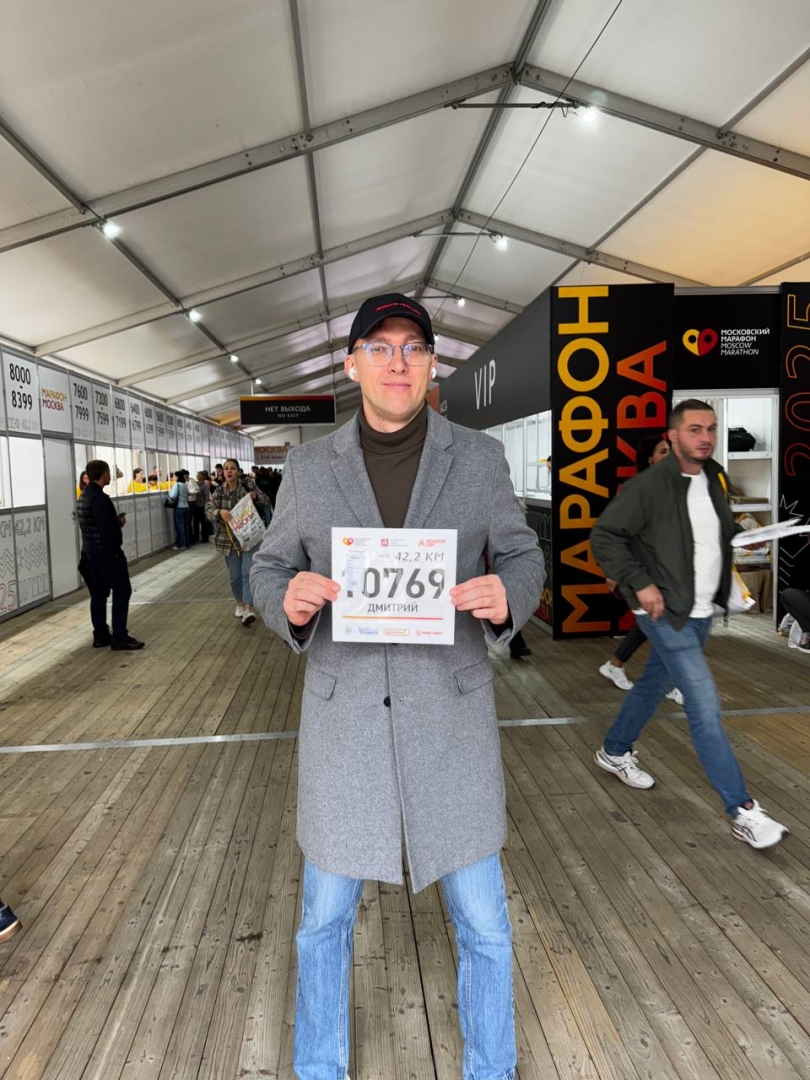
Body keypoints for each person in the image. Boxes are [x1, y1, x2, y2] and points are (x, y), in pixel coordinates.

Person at [250, 292, 544, 1080]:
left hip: (450, 719)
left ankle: (491, 1068)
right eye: (378, 348)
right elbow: (268, 566)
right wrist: (286, 601)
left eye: (412, 348)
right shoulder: (310, 467)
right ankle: (320, 1069)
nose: (397, 362)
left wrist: (509, 594)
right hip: (344, 723)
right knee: (322, 923)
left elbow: (523, 554)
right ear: (352, 365)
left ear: (432, 365)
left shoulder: (478, 459)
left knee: (485, 924)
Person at [591, 399, 786, 849]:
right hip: (665, 613)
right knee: (704, 706)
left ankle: (614, 750)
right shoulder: (648, 486)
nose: (706, 437)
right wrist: (640, 583)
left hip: (700, 610)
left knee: (653, 684)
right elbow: (605, 536)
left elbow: (709, 534)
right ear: (672, 435)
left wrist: (747, 537)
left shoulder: (714, 476)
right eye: (695, 429)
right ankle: (743, 811)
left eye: (711, 428)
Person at [598, 433, 684, 705]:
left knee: (655, 625)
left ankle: (617, 665)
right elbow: (615, 533)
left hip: (667, 572)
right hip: (644, 572)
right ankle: (667, 682)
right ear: (650, 459)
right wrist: (615, 571)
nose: (669, 456)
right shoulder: (638, 490)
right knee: (663, 625)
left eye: (670, 451)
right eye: (662, 452)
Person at [76, 459, 144, 651]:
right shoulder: (100, 499)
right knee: (122, 590)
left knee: (98, 595)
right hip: (106, 554)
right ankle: (120, 636)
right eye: (108, 472)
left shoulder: (84, 496)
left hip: (89, 553)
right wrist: (116, 548)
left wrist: (114, 522)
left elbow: (93, 525)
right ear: (104, 474)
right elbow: (105, 530)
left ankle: (101, 635)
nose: (110, 475)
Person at [205, 458, 269, 626]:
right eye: (226, 468)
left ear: (238, 471)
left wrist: (255, 496)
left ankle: (248, 609)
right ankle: (239, 603)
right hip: (229, 541)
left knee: (247, 572)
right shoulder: (219, 491)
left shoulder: (248, 487)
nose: (229, 471)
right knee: (235, 576)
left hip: (249, 538)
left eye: (233, 468)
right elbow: (208, 509)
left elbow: (266, 500)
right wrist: (219, 512)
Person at [169, 470, 190, 550]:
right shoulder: (184, 485)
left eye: (174, 476)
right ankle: (186, 542)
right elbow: (188, 493)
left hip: (179, 507)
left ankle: (181, 544)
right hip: (186, 507)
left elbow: (172, 496)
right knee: (185, 526)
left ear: (177, 477)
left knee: (179, 527)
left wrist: (169, 492)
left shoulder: (176, 484)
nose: (174, 477)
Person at [192, 470, 211, 544]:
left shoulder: (205, 484)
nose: (197, 476)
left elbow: (206, 496)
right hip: (196, 505)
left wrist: (206, 507)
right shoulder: (197, 483)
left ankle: (205, 537)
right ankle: (196, 537)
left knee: (203, 522)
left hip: (202, 506)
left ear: (203, 476)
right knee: (195, 522)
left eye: (199, 475)